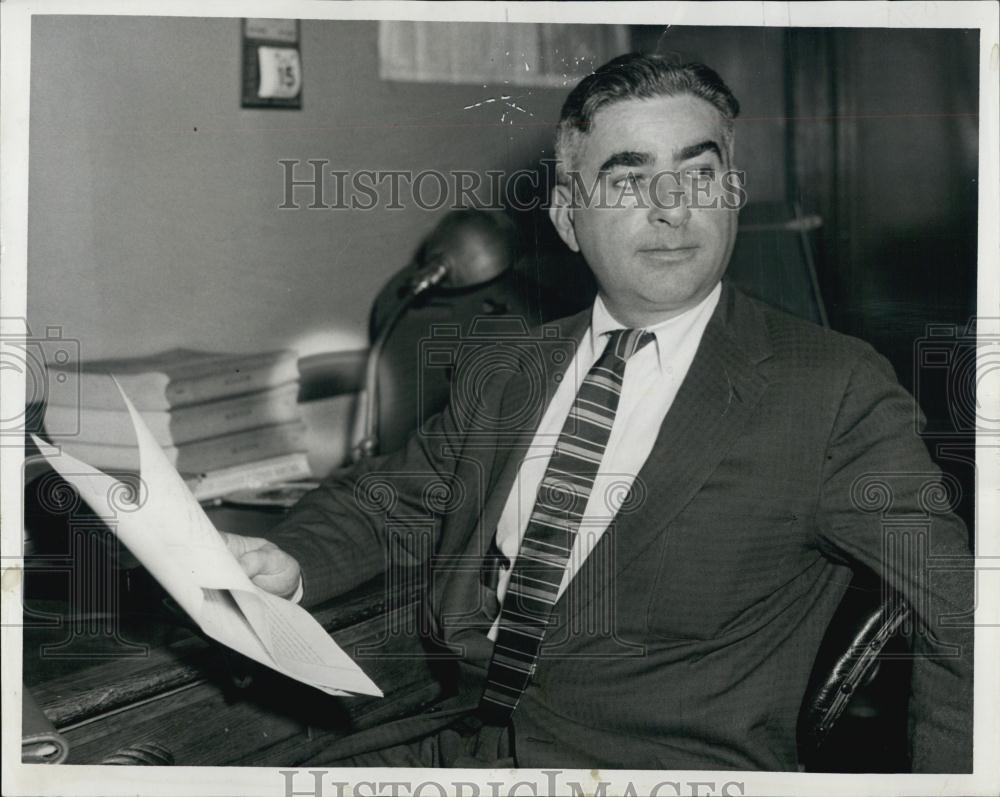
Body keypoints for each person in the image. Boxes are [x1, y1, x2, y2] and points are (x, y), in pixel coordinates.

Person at [222, 54, 973, 771]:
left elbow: (965, 615)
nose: (672, 207)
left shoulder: (832, 389)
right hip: (460, 745)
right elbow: (388, 497)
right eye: (629, 180)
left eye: (699, 172)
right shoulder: (510, 369)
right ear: (567, 218)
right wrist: (291, 562)